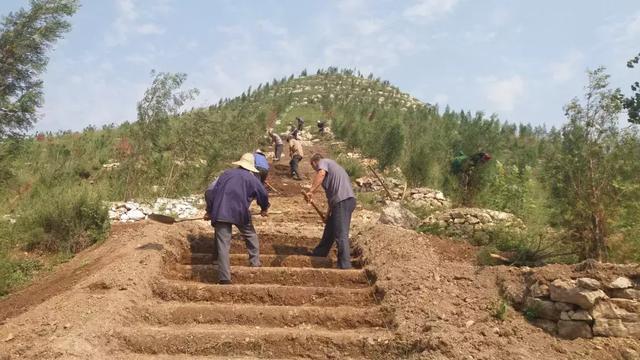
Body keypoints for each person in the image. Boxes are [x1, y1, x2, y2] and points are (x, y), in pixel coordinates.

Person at [204, 153, 270, 284]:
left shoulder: (225, 174)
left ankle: (224, 278)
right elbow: (263, 193)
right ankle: (255, 262)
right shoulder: (251, 179)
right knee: (250, 235)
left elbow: (211, 192)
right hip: (240, 212)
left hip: (221, 211)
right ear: (250, 167)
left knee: (223, 244)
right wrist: (264, 208)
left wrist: (210, 211)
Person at [305, 153, 356, 269]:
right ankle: (320, 252)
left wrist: (311, 191)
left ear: (314, 162)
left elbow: (321, 173)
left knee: (341, 233)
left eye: (314, 167)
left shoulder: (323, 162)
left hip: (343, 201)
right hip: (340, 202)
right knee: (330, 229)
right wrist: (328, 215)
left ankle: (345, 265)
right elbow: (331, 196)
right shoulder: (334, 169)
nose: (315, 170)